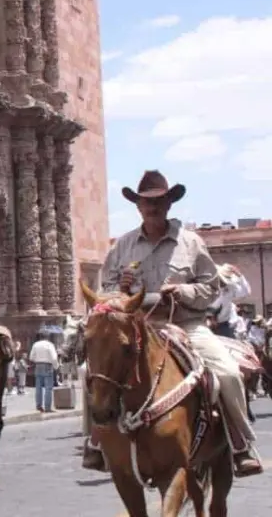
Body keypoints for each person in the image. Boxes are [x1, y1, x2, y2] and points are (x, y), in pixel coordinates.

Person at [87, 169, 261, 476]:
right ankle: (97, 442)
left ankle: (240, 444)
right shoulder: (123, 246)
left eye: (159, 201)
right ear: (137, 206)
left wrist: (181, 291)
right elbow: (104, 294)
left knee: (228, 373)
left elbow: (210, 288)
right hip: (138, 326)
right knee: (97, 371)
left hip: (186, 324)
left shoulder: (191, 243)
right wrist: (121, 289)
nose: (152, 207)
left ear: (169, 204)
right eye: (146, 202)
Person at [210, 263, 250, 339]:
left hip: (224, 325)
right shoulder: (210, 287)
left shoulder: (231, 288)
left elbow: (246, 292)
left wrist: (240, 276)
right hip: (207, 323)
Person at [29, 333, 59, 413]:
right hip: (47, 366)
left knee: (38, 387)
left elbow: (31, 357)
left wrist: (38, 360)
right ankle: (47, 407)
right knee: (48, 388)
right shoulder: (49, 345)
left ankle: (39, 406)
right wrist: (56, 366)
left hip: (38, 366)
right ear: (48, 337)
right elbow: (54, 358)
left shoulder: (35, 344)